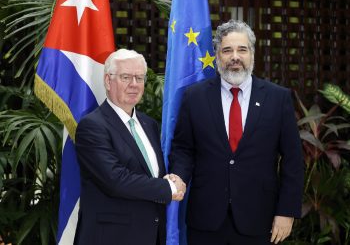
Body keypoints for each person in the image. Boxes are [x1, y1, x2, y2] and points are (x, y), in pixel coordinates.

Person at [168, 19, 304, 244]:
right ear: (217, 55)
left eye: (242, 49)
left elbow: (293, 160)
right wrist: (179, 178)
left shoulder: (277, 98)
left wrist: (287, 211)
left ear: (252, 53)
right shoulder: (194, 97)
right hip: (205, 220)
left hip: (260, 219)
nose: (235, 57)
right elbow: (183, 149)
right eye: (227, 50)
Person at [74, 49, 186, 245]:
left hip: (151, 236)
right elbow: (115, 180)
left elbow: (147, 173)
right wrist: (167, 187)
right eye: (126, 77)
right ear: (108, 81)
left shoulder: (149, 124)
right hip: (111, 238)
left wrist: (169, 178)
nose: (134, 84)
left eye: (139, 78)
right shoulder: (92, 126)